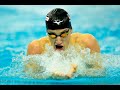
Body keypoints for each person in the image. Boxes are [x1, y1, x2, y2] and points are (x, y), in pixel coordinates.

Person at [26, 8, 102, 79]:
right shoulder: (36, 48)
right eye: (52, 35)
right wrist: (50, 74)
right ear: (47, 33)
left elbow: (100, 71)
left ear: (71, 30)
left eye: (63, 34)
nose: (58, 41)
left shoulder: (86, 43)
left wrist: (78, 71)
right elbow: (29, 75)